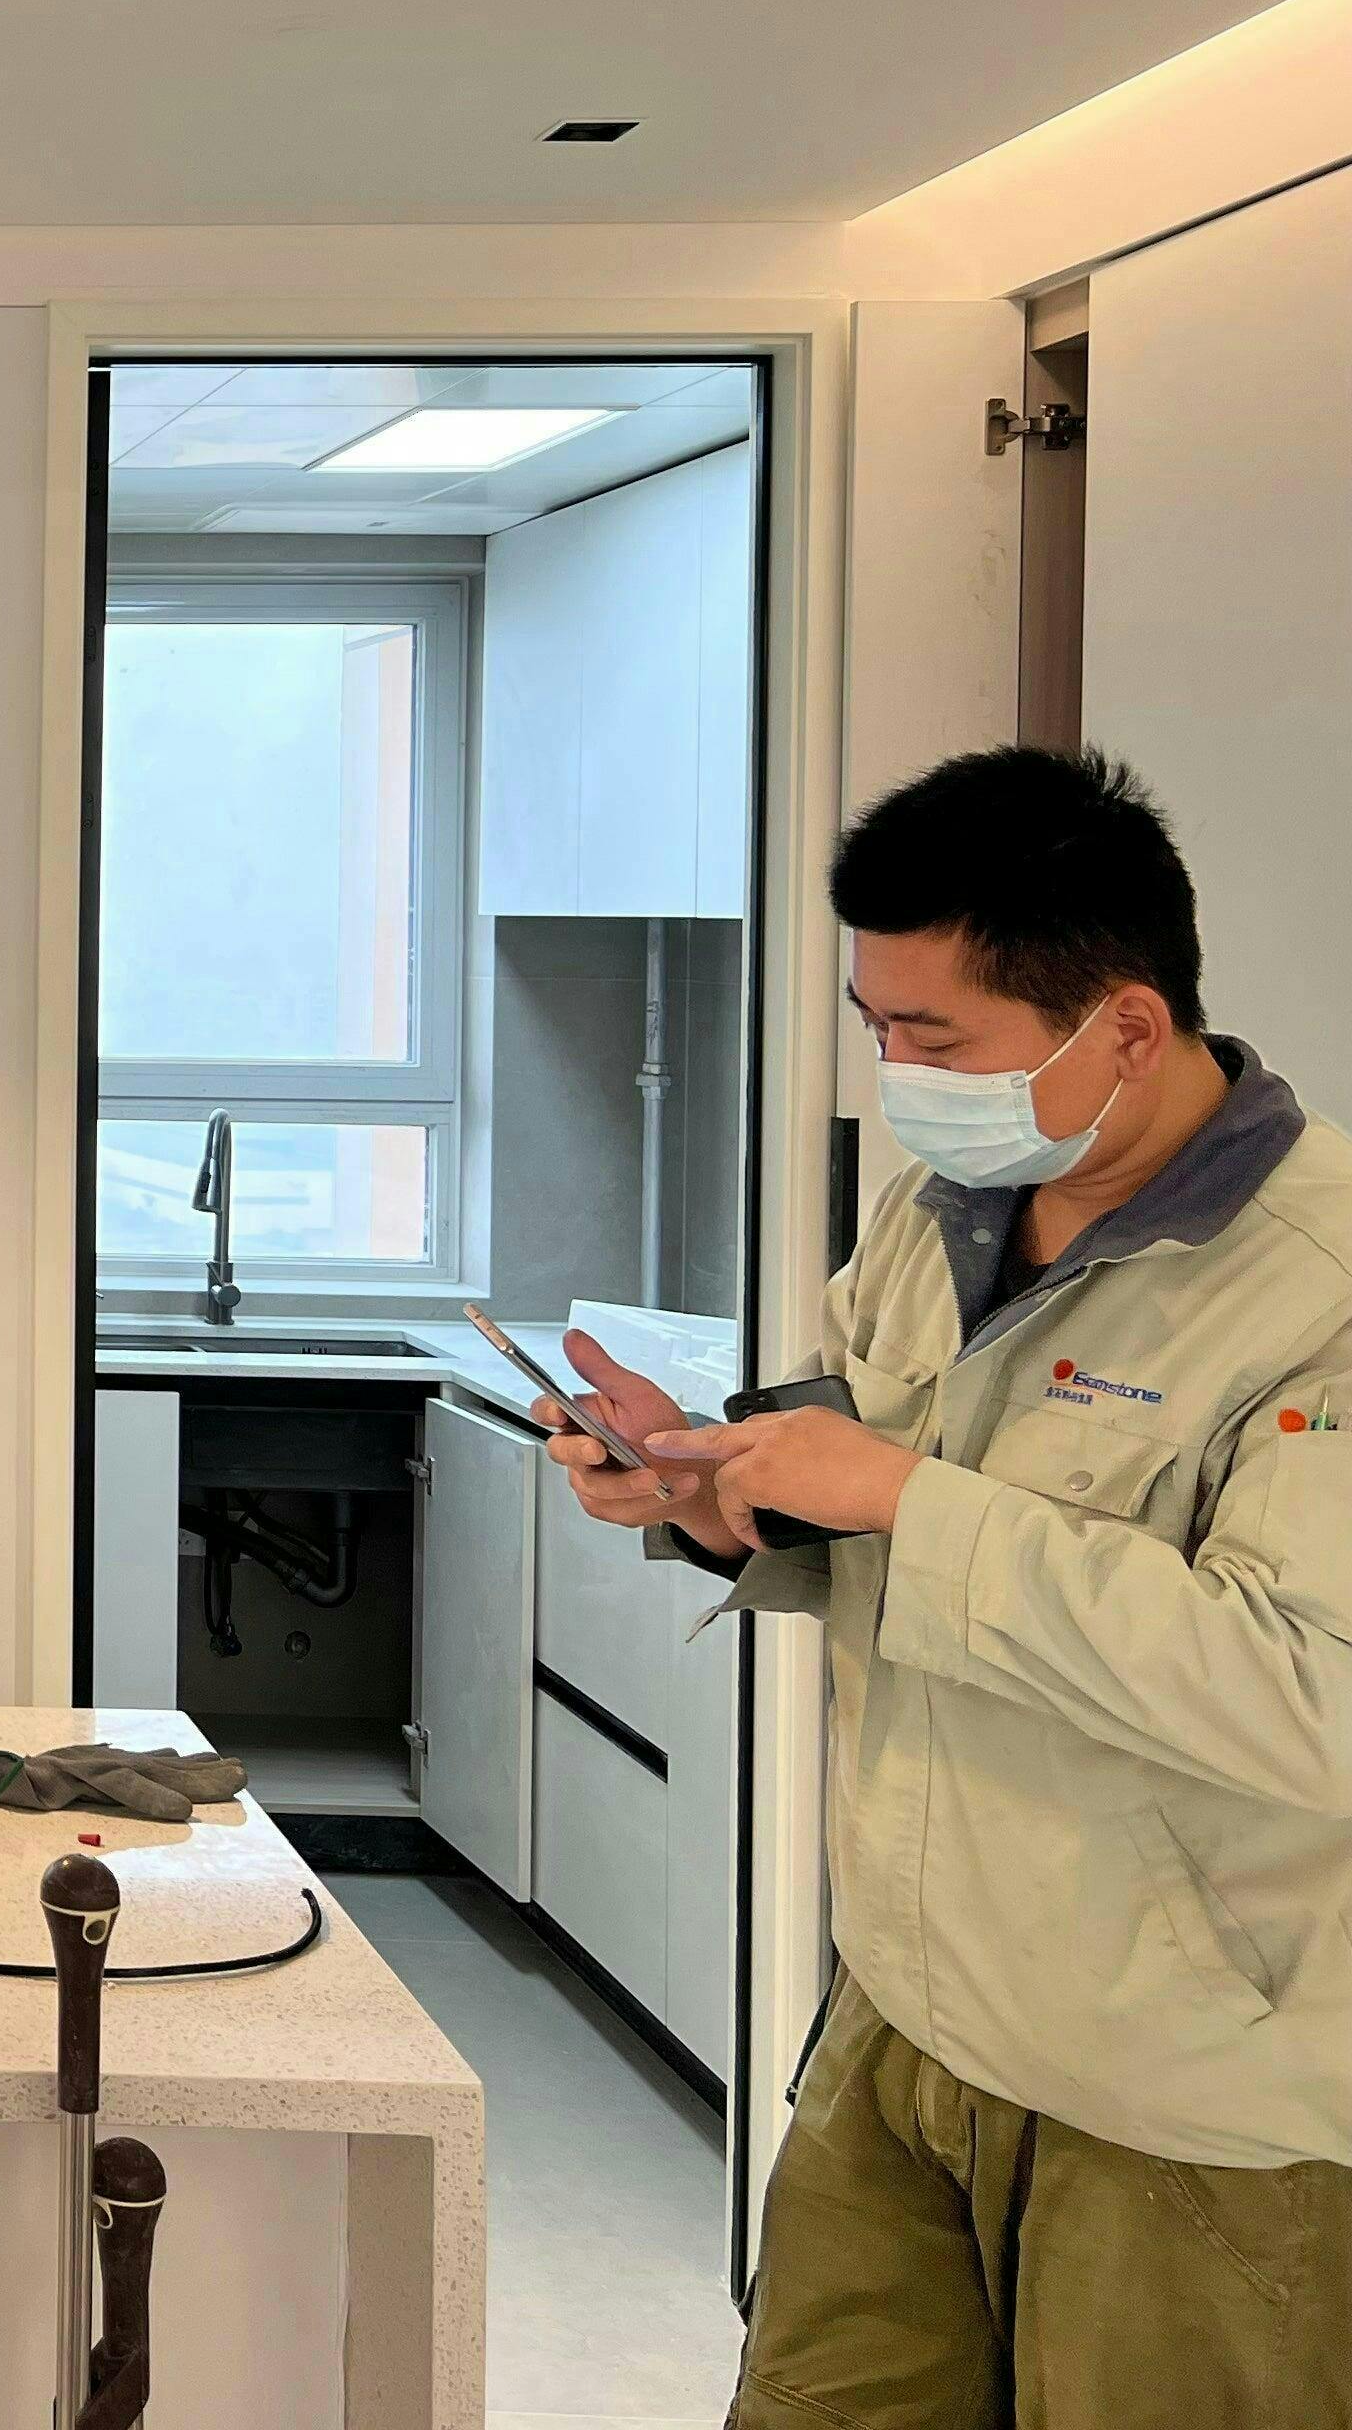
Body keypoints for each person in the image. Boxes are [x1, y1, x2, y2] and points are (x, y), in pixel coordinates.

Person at [537, 743, 1352, 2428]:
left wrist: (910, 1498)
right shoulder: (942, 1210)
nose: (900, 1076)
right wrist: (713, 1493)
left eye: (938, 1039)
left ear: (1127, 1028)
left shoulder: (1319, 1293)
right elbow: (864, 1491)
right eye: (878, 1028)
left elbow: (1309, 1692)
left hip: (1188, 2106)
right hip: (904, 2021)